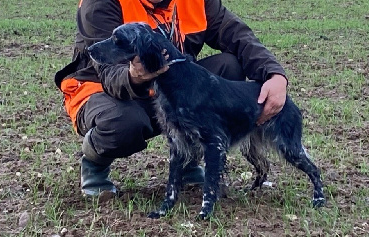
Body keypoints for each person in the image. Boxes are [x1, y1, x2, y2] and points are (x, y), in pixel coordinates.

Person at [54, 0, 288, 196]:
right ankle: (95, 164)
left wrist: (275, 75)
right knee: (123, 122)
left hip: (163, 88)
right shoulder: (100, 4)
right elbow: (107, 73)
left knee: (228, 68)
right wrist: (134, 75)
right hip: (102, 90)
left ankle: (188, 161)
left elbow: (238, 35)